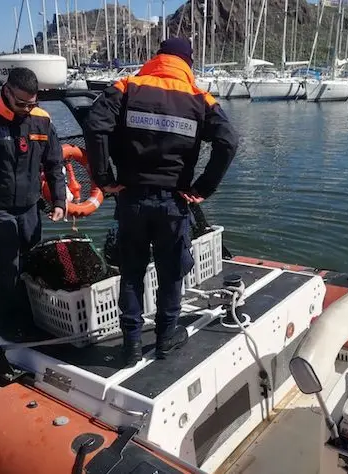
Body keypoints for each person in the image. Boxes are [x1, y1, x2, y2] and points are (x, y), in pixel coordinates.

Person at [84, 37, 238, 366]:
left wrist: (104, 178)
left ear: (158, 57)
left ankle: (131, 346)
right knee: (170, 274)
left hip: (131, 198)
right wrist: (203, 187)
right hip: (173, 201)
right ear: (187, 62)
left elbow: (95, 125)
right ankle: (167, 338)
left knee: (131, 273)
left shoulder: (126, 87)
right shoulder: (199, 97)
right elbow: (228, 140)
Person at [0, 67, 66, 340]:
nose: (27, 109)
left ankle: (33, 315)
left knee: (29, 264)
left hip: (30, 208)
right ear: (6, 91)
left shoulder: (41, 120)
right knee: (5, 267)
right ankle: (8, 324)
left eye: (32, 103)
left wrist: (59, 200)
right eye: (21, 103)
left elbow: (54, 164)